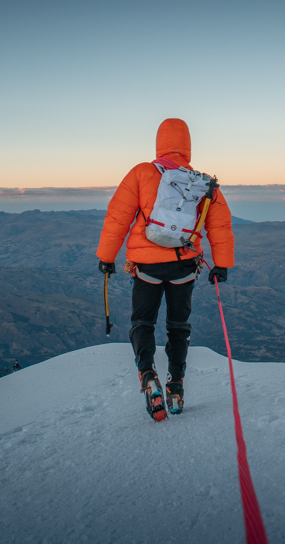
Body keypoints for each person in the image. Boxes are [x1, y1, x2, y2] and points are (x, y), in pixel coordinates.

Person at [96, 118, 235, 419]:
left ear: (160, 141)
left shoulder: (142, 173)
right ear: (187, 145)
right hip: (184, 266)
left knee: (143, 322)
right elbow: (220, 225)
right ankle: (176, 386)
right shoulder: (202, 182)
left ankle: (147, 375)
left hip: (146, 266)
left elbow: (118, 216)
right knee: (178, 326)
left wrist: (107, 257)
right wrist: (221, 265)